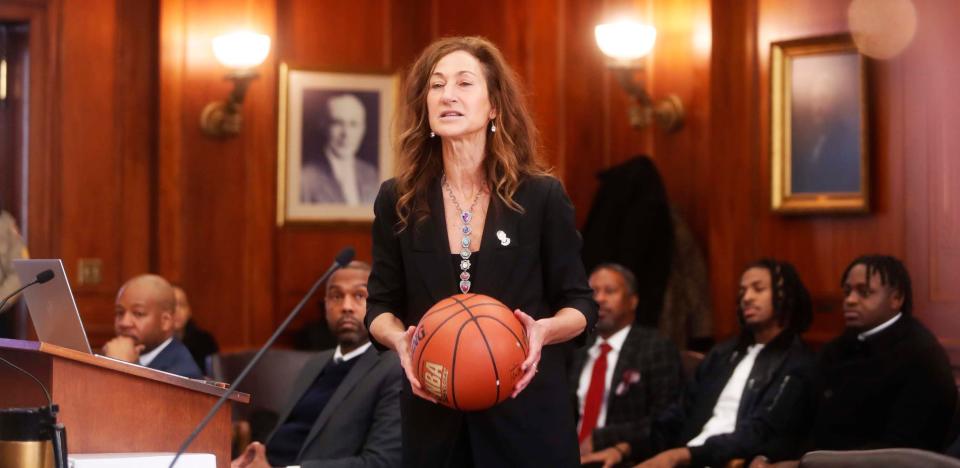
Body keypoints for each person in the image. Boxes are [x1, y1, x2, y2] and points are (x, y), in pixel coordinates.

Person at [364, 36, 598, 467]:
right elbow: (380, 305)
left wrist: (543, 332)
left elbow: (580, 303)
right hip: (433, 418)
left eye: (464, 83)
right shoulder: (397, 198)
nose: (447, 94)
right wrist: (400, 341)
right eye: (436, 85)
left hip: (527, 420)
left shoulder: (541, 196)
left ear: (494, 107)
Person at [751, 255, 958, 468]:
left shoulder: (921, 355)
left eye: (864, 292)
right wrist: (766, 456)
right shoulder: (835, 349)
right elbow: (796, 418)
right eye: (847, 291)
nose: (850, 300)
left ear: (896, 298)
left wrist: (801, 465)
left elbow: (902, 451)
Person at [619, 259, 816, 468]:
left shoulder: (797, 362)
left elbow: (760, 431)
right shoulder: (723, 354)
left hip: (718, 460)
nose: (747, 298)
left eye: (758, 289)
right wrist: (624, 449)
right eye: (742, 291)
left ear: (785, 295)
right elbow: (678, 414)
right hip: (686, 456)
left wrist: (680, 456)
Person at [232, 261, 402, 468]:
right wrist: (254, 458)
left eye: (359, 296)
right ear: (326, 305)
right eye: (336, 296)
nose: (346, 307)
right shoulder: (316, 363)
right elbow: (292, 436)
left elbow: (382, 462)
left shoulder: (393, 368)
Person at [574, 263, 684, 465]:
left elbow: (667, 419)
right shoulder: (576, 349)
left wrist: (601, 438)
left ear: (632, 301)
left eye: (610, 291)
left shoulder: (656, 347)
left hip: (623, 458)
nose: (599, 299)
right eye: (593, 291)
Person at [102, 274, 203, 379]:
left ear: (165, 321)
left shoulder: (182, 373)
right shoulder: (117, 353)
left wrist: (122, 367)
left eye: (138, 313)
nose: (124, 323)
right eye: (120, 312)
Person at [301, 93, 380, 205]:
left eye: (353, 124)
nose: (346, 134)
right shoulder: (306, 178)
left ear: (363, 129)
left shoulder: (371, 174)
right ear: (324, 126)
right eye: (337, 123)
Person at [172, 285, 220, 373]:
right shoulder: (153, 342)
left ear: (189, 311)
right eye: (172, 305)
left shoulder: (205, 341)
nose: (177, 310)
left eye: (182, 305)